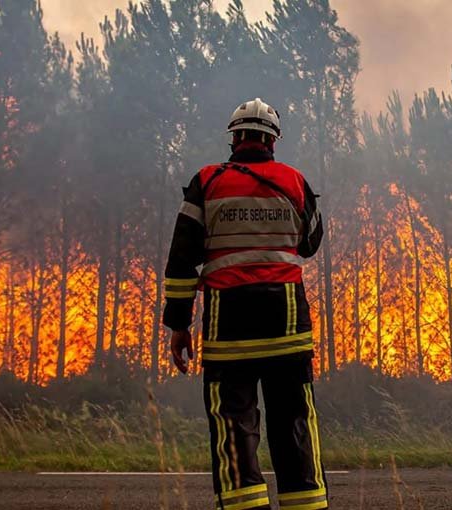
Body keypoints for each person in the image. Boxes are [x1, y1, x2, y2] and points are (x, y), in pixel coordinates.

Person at [163, 98, 327, 510]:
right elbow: (310, 243)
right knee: (294, 423)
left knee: (233, 427)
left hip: (229, 326)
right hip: (287, 324)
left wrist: (179, 325)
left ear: (234, 138)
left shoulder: (207, 182)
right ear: (273, 141)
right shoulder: (294, 181)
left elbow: (181, 262)